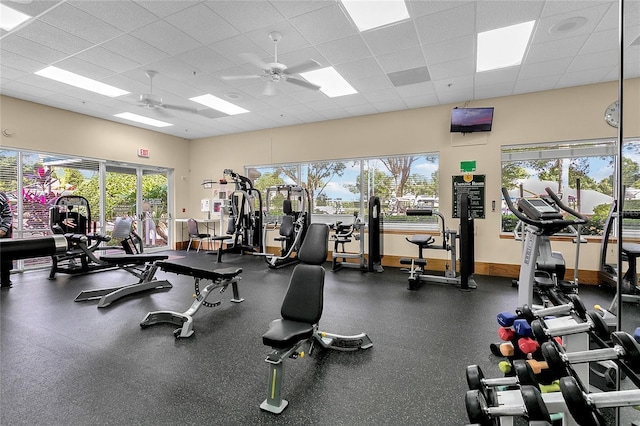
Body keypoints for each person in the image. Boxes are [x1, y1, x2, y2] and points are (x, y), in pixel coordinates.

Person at [0, 191, 14, 288]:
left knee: (4, 260)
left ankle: (5, 282)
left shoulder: (1, 198)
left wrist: (3, 230)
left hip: (2, 233)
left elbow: (8, 215)